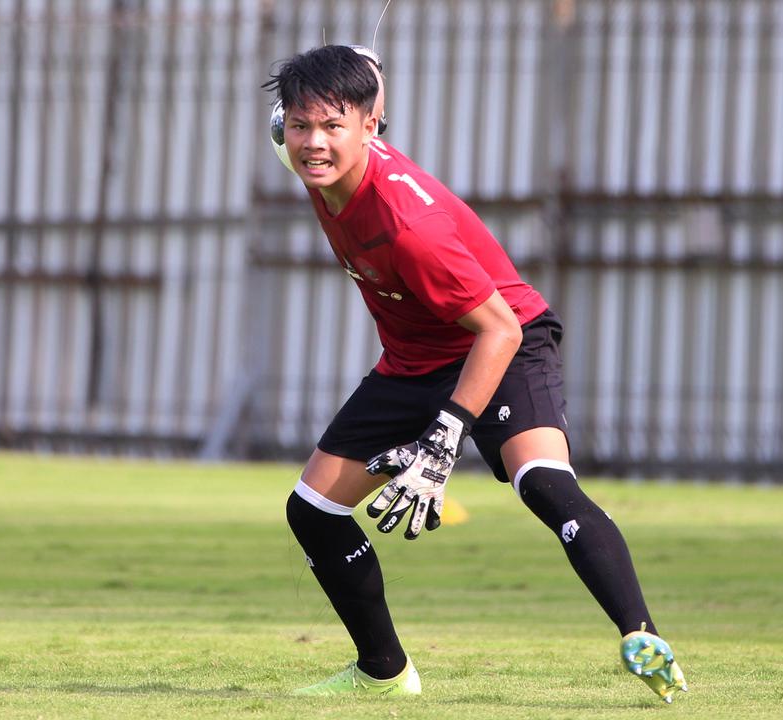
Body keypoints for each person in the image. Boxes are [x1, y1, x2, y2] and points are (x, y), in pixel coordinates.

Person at [263, 45, 687, 703]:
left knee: (543, 484)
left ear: (372, 127)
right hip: (413, 363)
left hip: (502, 343)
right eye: (299, 125)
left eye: (331, 127)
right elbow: (323, 107)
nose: (312, 143)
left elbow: (500, 330)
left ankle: (644, 638)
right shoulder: (303, 153)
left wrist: (443, 439)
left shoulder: (409, 225)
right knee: (312, 510)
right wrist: (362, 70)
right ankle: (384, 674)